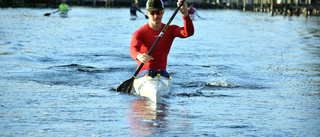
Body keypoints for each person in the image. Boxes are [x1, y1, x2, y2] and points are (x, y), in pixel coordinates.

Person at [130, 0, 194, 78]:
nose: (156, 16)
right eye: (152, 13)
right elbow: (133, 48)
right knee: (149, 72)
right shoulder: (140, 33)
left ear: (163, 12)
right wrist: (139, 55)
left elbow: (188, 33)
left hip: (161, 74)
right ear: (147, 12)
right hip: (143, 75)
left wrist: (185, 14)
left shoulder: (170, 30)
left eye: (158, 12)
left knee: (161, 73)